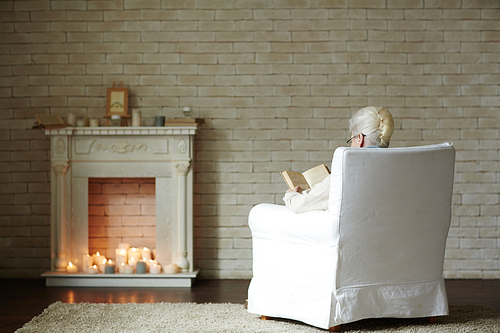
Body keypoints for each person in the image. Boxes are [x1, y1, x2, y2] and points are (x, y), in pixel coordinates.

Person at [283, 106, 394, 213]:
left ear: (359, 138)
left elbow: (300, 205)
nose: (351, 144)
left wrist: (290, 195)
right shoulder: (395, 169)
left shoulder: (346, 173)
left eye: (351, 140)